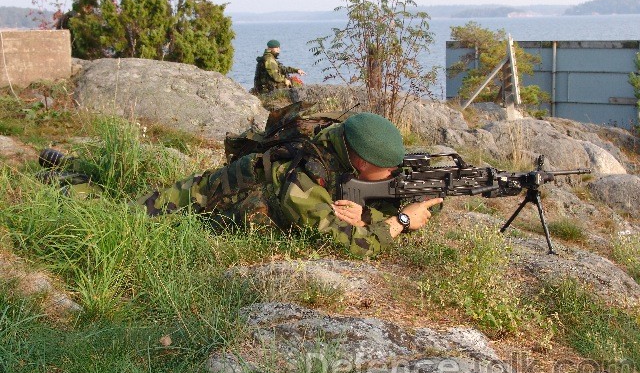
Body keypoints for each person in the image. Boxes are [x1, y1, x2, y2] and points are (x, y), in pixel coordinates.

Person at [138, 111, 441, 258]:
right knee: (131, 217)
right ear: (361, 163)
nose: (394, 173)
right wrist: (402, 220)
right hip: (191, 206)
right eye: (388, 169)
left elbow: (403, 192)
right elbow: (358, 245)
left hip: (218, 190)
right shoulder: (304, 184)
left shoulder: (338, 142)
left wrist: (368, 216)